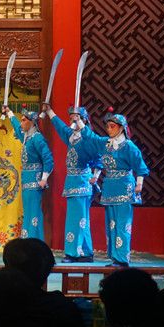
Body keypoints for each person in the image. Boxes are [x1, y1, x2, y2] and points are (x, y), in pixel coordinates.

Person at [72, 108, 149, 267]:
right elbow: (91, 136)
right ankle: (115, 257)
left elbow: (140, 166)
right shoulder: (105, 144)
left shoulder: (129, 146)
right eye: (107, 126)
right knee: (111, 225)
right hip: (109, 188)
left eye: (112, 126)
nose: (109, 129)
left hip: (124, 188)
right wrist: (78, 120)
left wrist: (139, 184)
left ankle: (122, 259)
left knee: (122, 225)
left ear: (121, 128)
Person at [42, 103, 103, 262]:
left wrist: (96, 175)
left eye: (75, 118)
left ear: (83, 120)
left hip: (82, 182)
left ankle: (73, 253)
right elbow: (60, 126)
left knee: (77, 219)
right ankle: (86, 252)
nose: (72, 121)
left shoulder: (88, 137)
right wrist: (50, 111)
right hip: (72, 182)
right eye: (71, 119)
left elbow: (99, 157)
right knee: (81, 219)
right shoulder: (71, 137)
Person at [2, 105, 53, 240]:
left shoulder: (37, 138)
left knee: (34, 213)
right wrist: (9, 112)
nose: (22, 123)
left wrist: (44, 178)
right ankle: (29, 240)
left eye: (24, 120)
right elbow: (17, 127)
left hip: (35, 181)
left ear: (32, 122)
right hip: (27, 180)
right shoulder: (27, 137)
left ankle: (34, 241)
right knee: (29, 212)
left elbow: (48, 159)